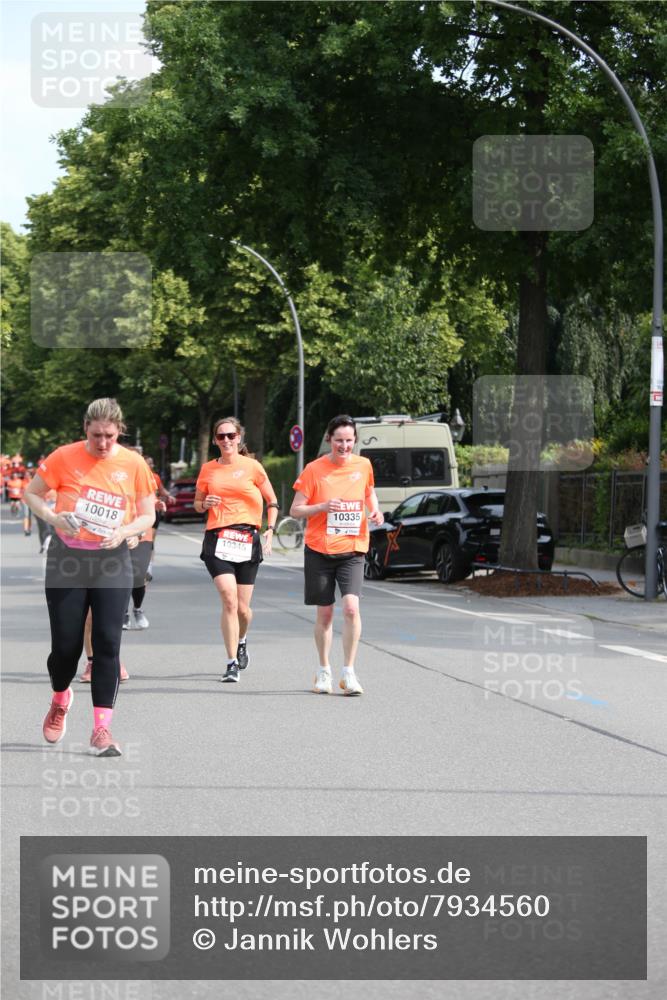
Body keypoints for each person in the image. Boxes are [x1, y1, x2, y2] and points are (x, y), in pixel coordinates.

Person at [24, 398, 156, 757]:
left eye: (110, 437)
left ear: (119, 432)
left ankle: (101, 729)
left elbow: (147, 515)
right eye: (96, 435)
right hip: (67, 558)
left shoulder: (132, 464)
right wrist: (53, 517)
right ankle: (60, 697)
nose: (102, 443)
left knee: (108, 644)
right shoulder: (63, 457)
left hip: (112, 559)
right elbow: (31, 494)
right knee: (66, 649)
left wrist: (127, 530)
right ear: (86, 429)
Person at [290, 414, 384, 696]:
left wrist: (375, 510)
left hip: (353, 547)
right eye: (339, 440)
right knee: (326, 614)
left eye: (349, 441)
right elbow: (295, 510)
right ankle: (323, 670)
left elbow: (369, 493)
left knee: (352, 608)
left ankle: (349, 672)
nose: (344, 446)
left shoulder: (363, 465)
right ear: (329, 440)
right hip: (319, 548)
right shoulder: (314, 469)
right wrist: (322, 507)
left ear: (355, 441)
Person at [194, 417, 278, 683]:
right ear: (216, 441)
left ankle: (242, 640)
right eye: (221, 437)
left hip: (247, 539)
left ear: (239, 437)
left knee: (243, 609)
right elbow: (197, 504)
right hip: (218, 538)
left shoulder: (253, 467)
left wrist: (271, 529)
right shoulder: (208, 469)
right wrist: (205, 502)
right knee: (228, 598)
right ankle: (231, 662)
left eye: (231, 435)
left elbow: (272, 501)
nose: (226, 440)